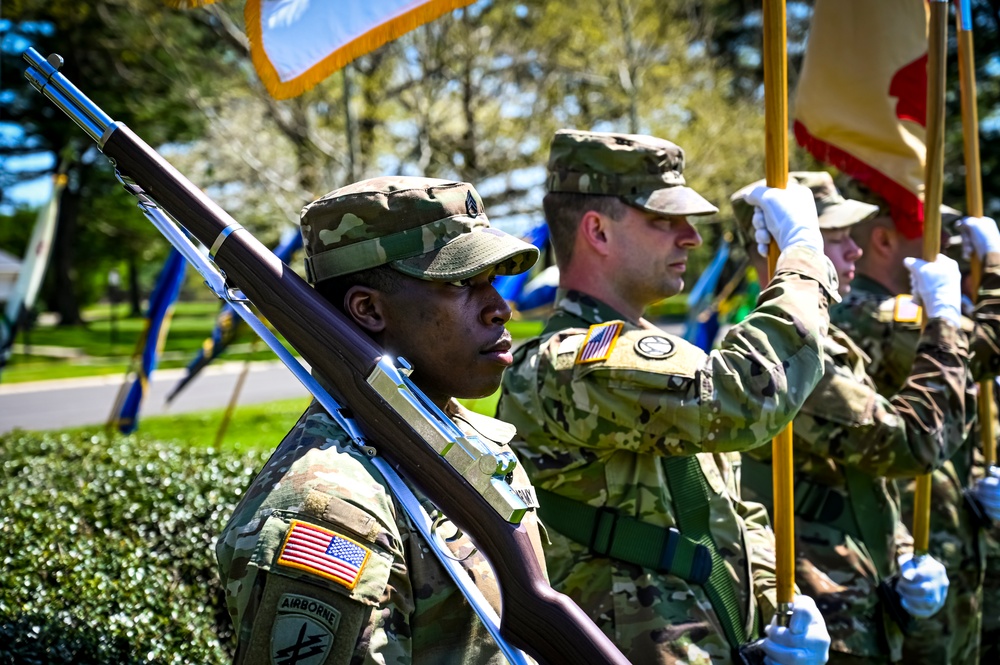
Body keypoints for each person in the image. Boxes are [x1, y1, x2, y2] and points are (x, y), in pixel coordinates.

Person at [497, 129, 833, 665]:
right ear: (598, 231)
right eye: (663, 220)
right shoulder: (575, 361)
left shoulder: (656, 354)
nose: (690, 238)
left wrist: (776, 607)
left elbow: (730, 513)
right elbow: (745, 399)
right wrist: (805, 259)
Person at [216, 176, 546, 664]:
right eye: (460, 283)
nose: (501, 308)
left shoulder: (468, 440)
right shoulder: (331, 510)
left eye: (492, 281)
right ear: (368, 308)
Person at [732, 171, 965, 664]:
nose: (854, 251)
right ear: (777, 250)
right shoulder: (789, 357)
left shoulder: (830, 343)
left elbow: (862, 481)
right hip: (821, 616)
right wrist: (943, 321)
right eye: (830, 241)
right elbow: (910, 444)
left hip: (862, 604)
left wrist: (902, 554)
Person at [831, 182, 1000, 665]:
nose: (946, 246)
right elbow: (990, 346)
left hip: (931, 534)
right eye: (933, 232)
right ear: (885, 241)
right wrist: (992, 268)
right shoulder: (879, 313)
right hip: (904, 543)